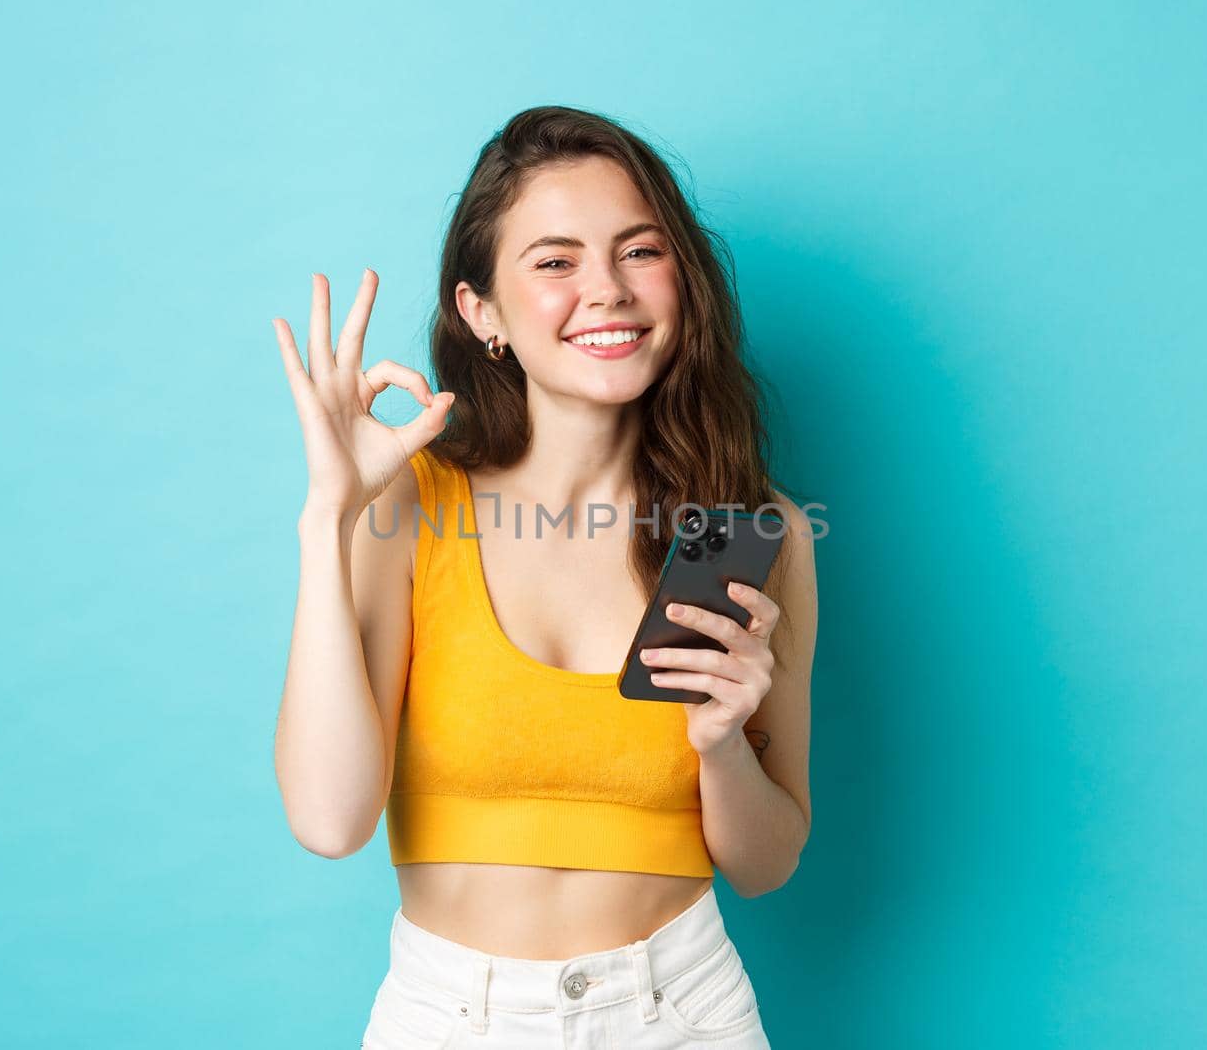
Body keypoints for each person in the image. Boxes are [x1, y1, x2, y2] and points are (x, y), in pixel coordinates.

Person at [271, 105, 818, 1048]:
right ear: (480, 311)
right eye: (555, 261)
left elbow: (768, 862)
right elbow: (330, 818)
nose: (606, 290)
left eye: (640, 251)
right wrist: (330, 519)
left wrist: (725, 743)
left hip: (683, 1011)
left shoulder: (754, 533)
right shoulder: (409, 507)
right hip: (450, 1015)